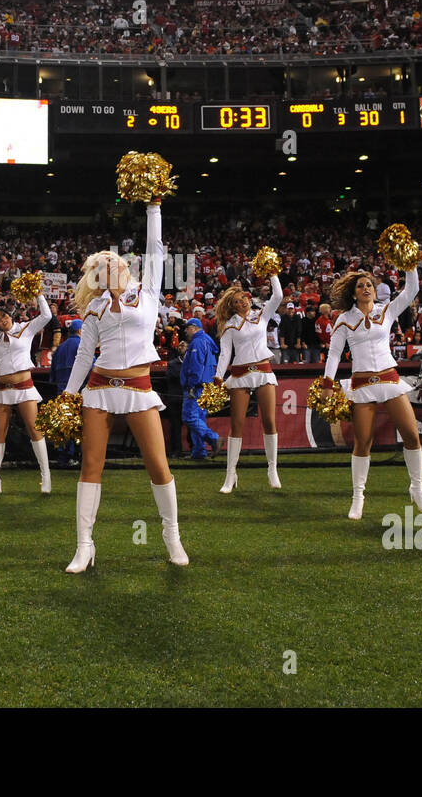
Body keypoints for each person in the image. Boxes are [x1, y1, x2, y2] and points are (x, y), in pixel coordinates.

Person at [62, 198, 188, 572]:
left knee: (157, 464)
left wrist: (153, 208)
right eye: (102, 264)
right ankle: (84, 546)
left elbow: (156, 249)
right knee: (91, 466)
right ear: (97, 275)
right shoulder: (94, 308)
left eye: (114, 260)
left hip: (138, 388)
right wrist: (68, 397)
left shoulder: (147, 291)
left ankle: (171, 535)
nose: (111, 264)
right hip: (99, 389)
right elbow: (84, 357)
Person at [324, 263, 422, 520]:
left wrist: (409, 264)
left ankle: (417, 488)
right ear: (353, 293)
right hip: (362, 384)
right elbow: (334, 354)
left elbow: (412, 289)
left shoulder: (387, 310)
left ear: (375, 290)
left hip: (390, 379)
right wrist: (328, 384)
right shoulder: (344, 319)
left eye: (369, 285)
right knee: (362, 442)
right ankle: (358, 497)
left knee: (411, 436)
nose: (366, 288)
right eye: (361, 286)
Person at [0, 294, 53, 495]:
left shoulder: (26, 328)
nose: (2, 321)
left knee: (34, 430)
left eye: (3, 317)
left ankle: (46, 478)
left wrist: (38, 294)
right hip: (2, 390)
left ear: (9, 315)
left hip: (25, 388)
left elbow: (47, 315)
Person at [212, 273, 284, 490]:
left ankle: (272, 469)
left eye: (244, 297)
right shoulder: (228, 326)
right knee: (237, 425)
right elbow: (225, 354)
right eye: (237, 301)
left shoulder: (261, 314)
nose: (243, 301)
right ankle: (230, 474)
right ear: (232, 307)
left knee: (270, 421)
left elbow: (278, 295)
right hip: (240, 374)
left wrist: (272, 275)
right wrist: (217, 377)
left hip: (263, 370)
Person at [179, 317, 221, 462]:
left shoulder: (197, 341)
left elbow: (196, 366)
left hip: (197, 386)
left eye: (187, 327)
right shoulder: (207, 340)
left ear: (195, 327)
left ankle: (213, 439)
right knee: (198, 419)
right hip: (207, 385)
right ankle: (198, 451)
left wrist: (191, 384)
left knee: (189, 417)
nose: (185, 331)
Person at [50, 319, 83, 466]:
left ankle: (63, 457)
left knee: (63, 424)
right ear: (81, 331)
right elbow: (91, 366)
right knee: (77, 424)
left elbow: (52, 374)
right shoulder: (82, 345)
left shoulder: (60, 347)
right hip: (77, 390)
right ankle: (74, 456)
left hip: (61, 391)